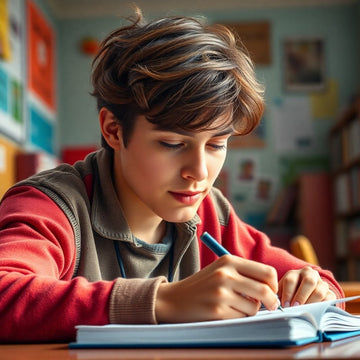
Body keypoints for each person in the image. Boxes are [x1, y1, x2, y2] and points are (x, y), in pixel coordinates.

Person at [0, 8, 343, 343]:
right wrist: (163, 301)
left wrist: (313, 288)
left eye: (216, 144)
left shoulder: (209, 211)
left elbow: (322, 284)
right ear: (113, 130)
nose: (198, 172)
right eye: (172, 143)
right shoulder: (50, 205)